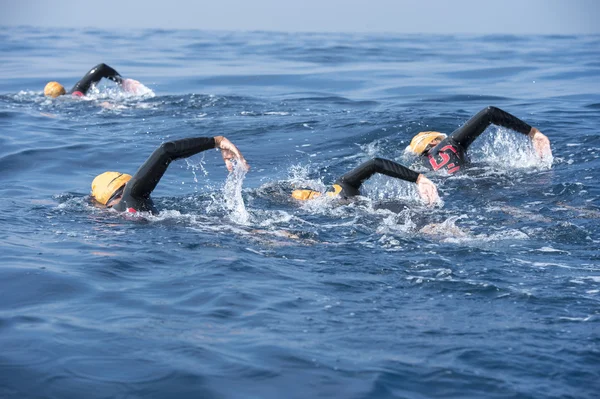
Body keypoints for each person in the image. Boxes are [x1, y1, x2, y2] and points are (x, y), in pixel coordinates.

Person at [91, 136, 249, 214]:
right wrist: (217, 141)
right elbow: (166, 151)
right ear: (126, 184)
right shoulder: (132, 194)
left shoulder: (113, 213)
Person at [405, 106, 552, 174]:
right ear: (433, 142)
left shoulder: (420, 167)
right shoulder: (450, 144)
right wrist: (533, 133)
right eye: (439, 138)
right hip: (484, 178)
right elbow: (489, 113)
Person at [291, 157, 439, 206]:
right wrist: (418, 178)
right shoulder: (341, 186)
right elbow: (375, 163)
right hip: (393, 211)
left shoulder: (324, 211)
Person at [44, 63, 141, 98]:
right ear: (63, 89)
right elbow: (101, 67)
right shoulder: (77, 90)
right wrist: (122, 82)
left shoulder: (62, 102)